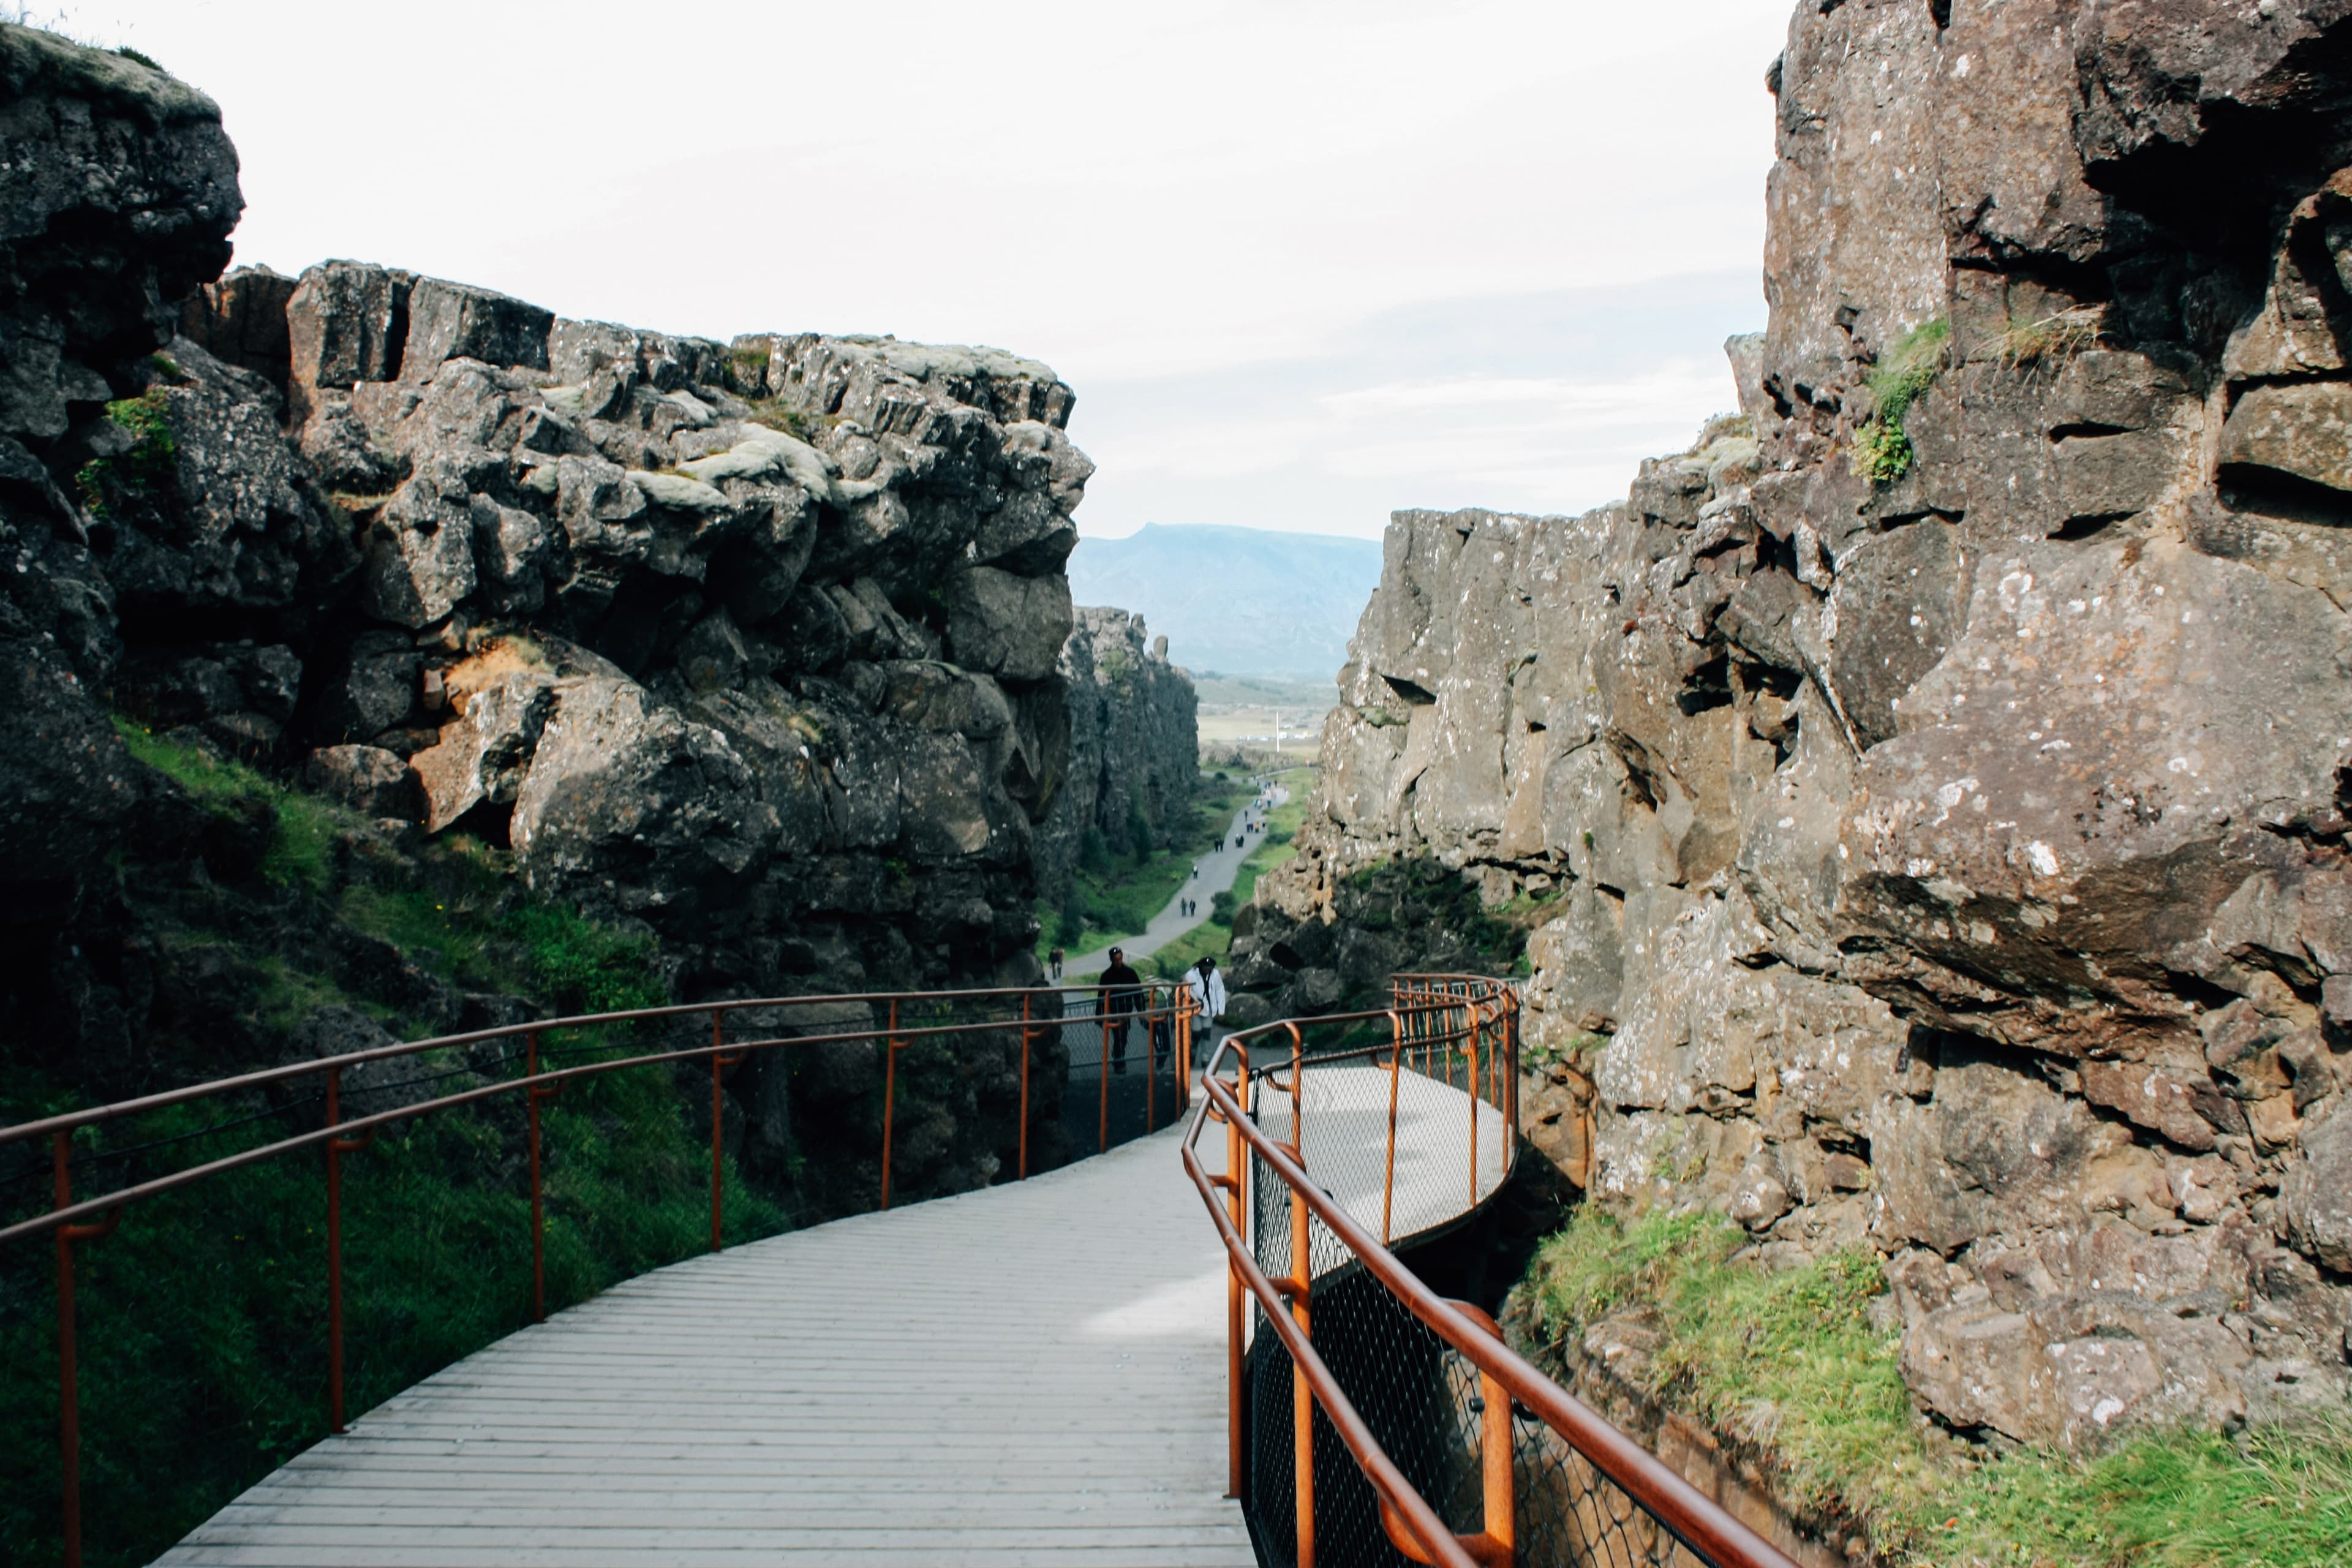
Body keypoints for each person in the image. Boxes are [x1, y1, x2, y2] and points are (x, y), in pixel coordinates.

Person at [1099, 946, 1144, 1074]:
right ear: (1111, 960)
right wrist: (1100, 1016)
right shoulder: (1106, 976)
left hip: (1126, 1011)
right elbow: (1101, 996)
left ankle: (1118, 1054)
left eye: (1120, 959)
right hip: (1113, 1011)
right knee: (1118, 1036)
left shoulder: (1130, 973)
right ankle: (1119, 1061)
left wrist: (1141, 1011)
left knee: (1123, 1037)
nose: (1119, 962)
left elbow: (1138, 992)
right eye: (1116, 960)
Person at [1178, 955, 1227, 1070]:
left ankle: (1205, 1059)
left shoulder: (1215, 975)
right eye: (1205, 967)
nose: (1207, 969)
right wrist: (1196, 1000)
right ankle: (1192, 1053)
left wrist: (1221, 1010)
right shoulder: (1192, 974)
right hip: (1195, 1009)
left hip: (1209, 1009)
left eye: (1209, 967)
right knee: (1196, 1033)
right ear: (1201, 966)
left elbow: (1220, 990)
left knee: (1206, 1034)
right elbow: (1188, 990)